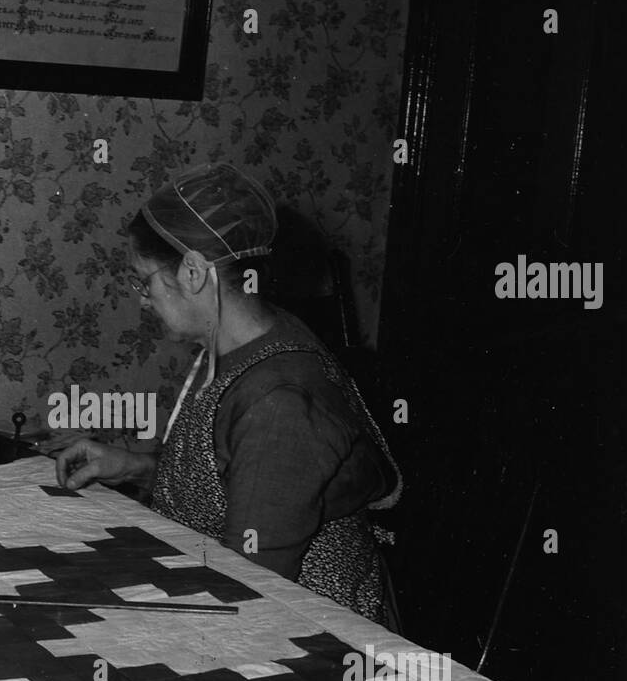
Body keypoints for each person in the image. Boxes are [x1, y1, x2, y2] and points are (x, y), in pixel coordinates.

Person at [50, 163, 402, 623]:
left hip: (312, 632)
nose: (141, 298)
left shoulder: (279, 400)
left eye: (144, 280)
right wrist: (136, 466)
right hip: (242, 590)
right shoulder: (244, 339)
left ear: (193, 272)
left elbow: (250, 590)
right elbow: (235, 482)